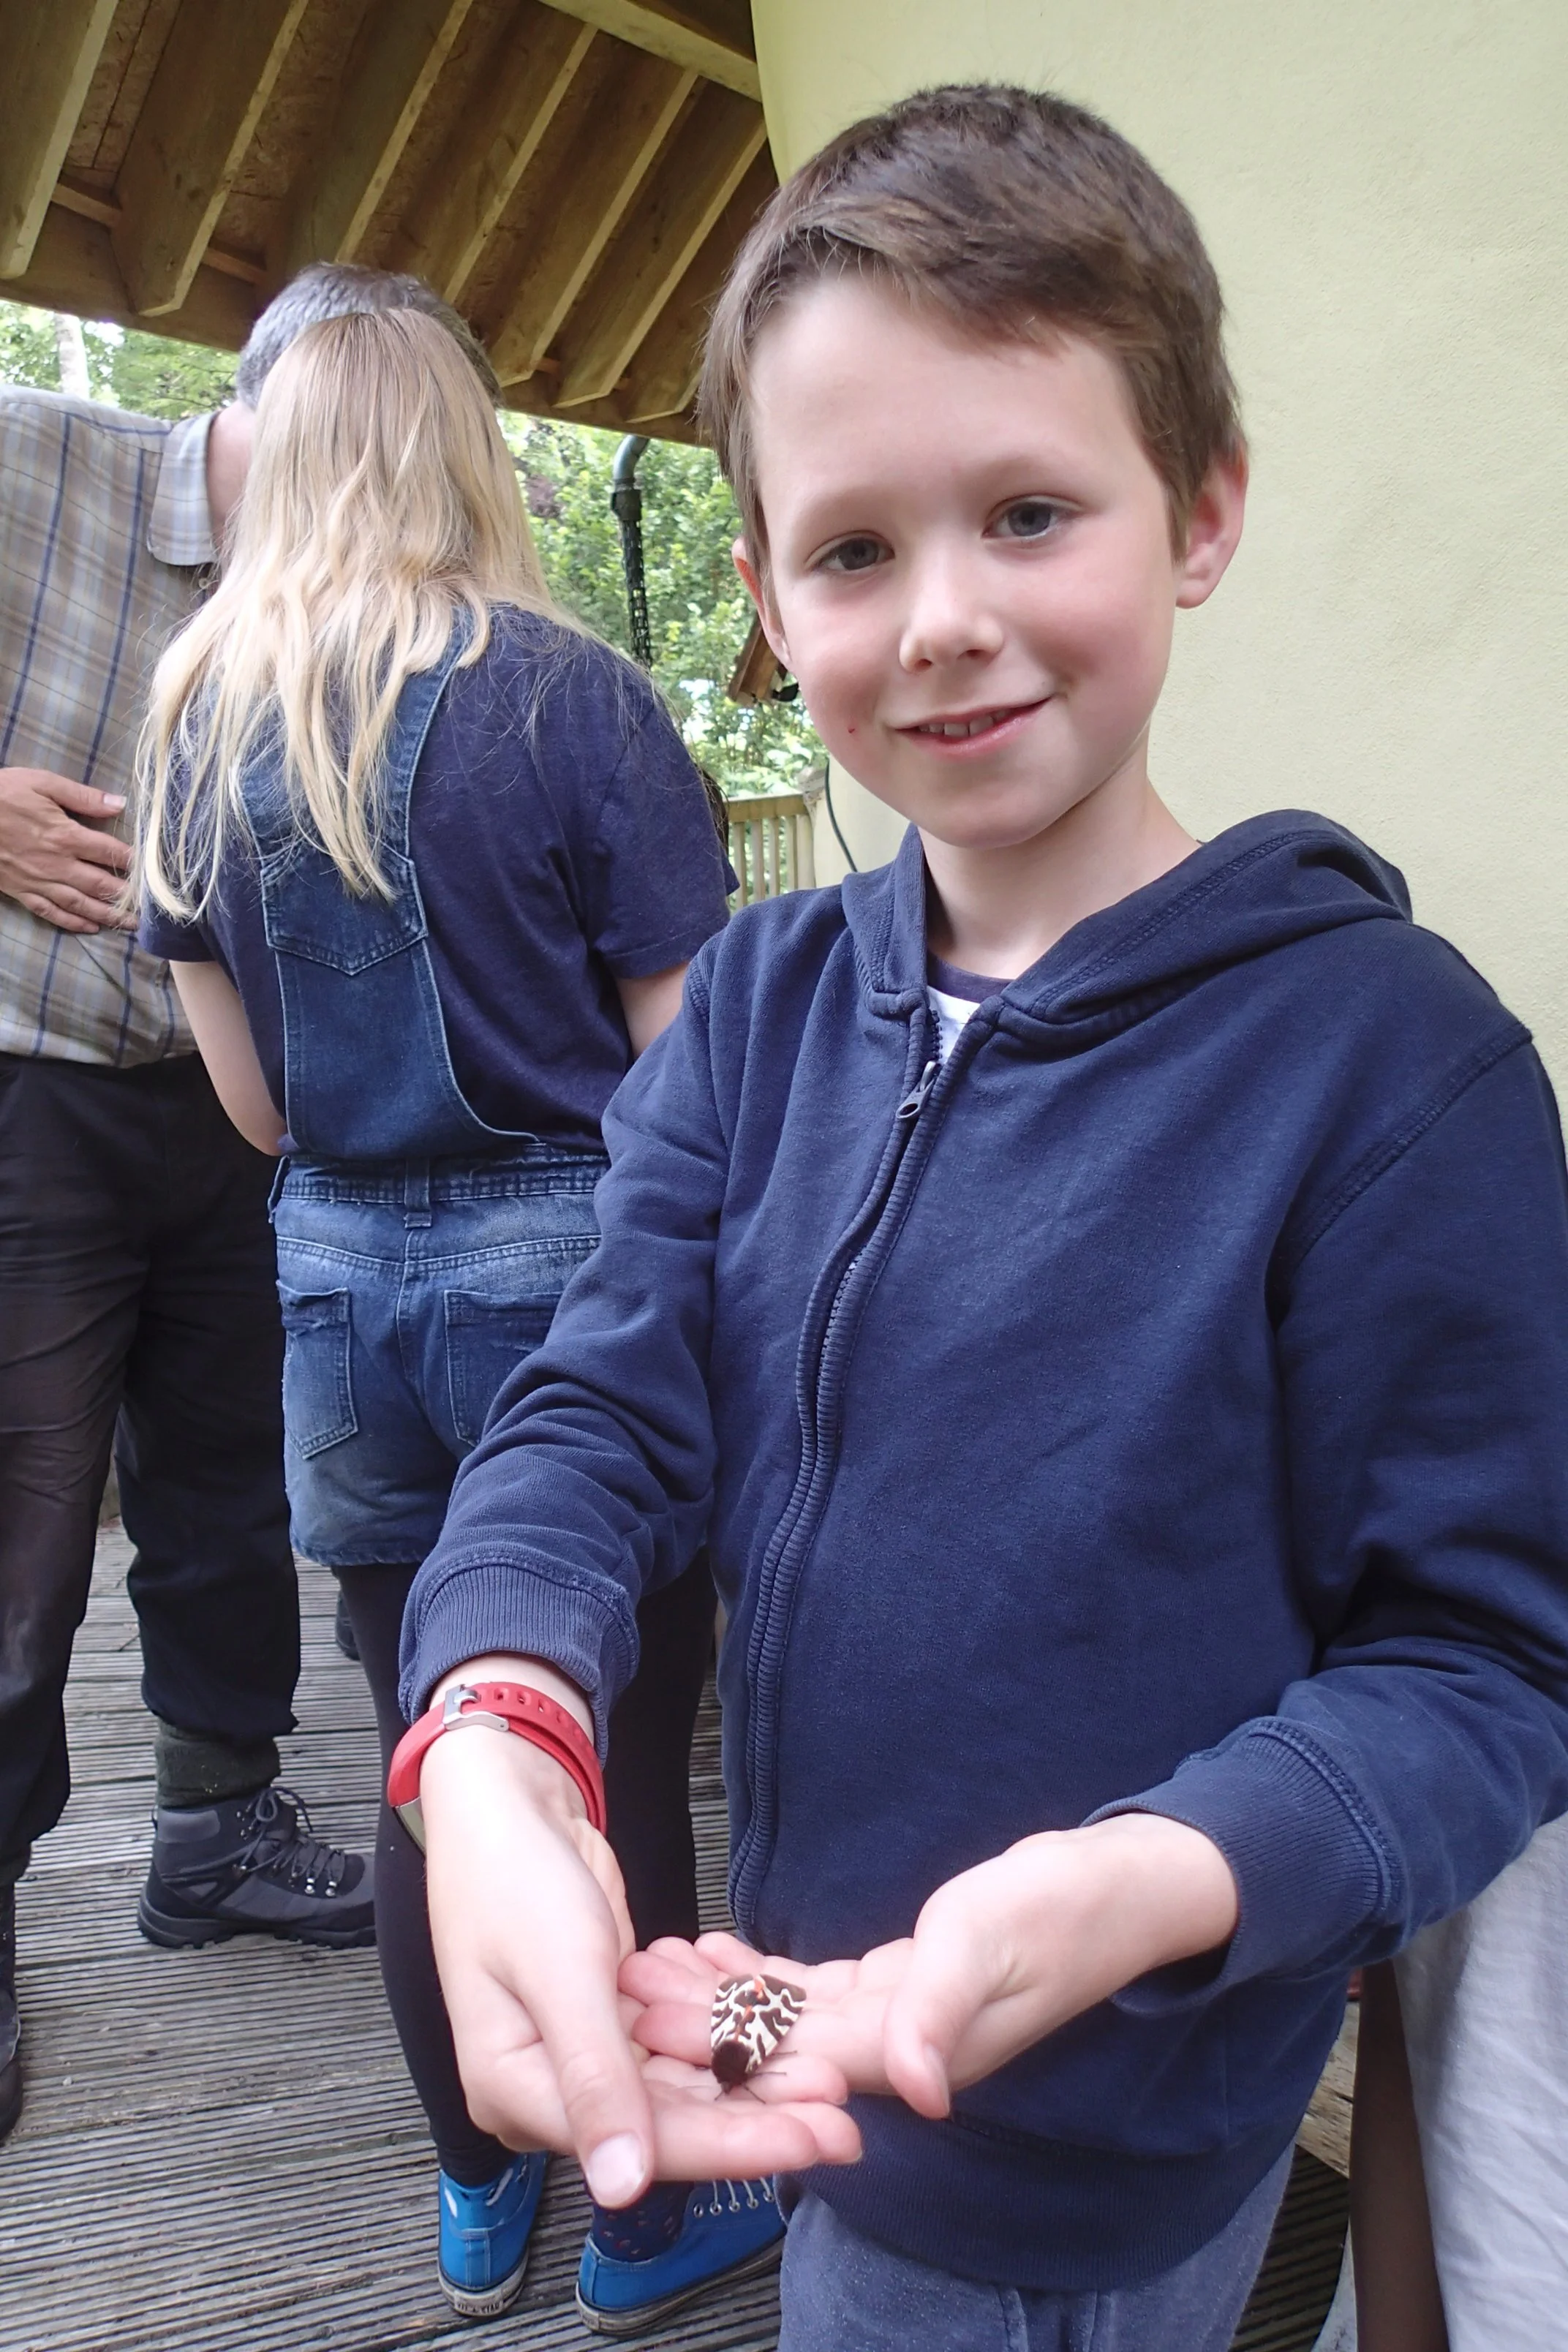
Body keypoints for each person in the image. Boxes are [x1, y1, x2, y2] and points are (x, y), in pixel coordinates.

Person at [382, 85, 1568, 2352]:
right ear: (758, 597)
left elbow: (1488, 1663)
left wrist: (1162, 1880)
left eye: (1029, 512)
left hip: (1102, 2131)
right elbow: (593, 1413)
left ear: (1200, 509)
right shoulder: (750, 1002)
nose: (942, 621)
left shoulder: (1395, 1070)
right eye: (850, 553)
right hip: (797, 2023)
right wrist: (504, 1718)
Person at [135, 303, 777, 2330]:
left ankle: (477, 2197)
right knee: (607, 1740)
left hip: (334, 1295)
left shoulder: (195, 719)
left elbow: (247, 1109)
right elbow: (690, 1095)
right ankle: (649, 2216)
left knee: (448, 1757)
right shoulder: (571, 698)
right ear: (467, 454)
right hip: (574, 1297)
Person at [0, 260, 477, 2144]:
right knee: (22, 1535)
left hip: (227, 1103)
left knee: (225, 1496)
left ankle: (207, 1829)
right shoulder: (35, 461)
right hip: (22, 1087)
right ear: (268, 400)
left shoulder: (363, 602)